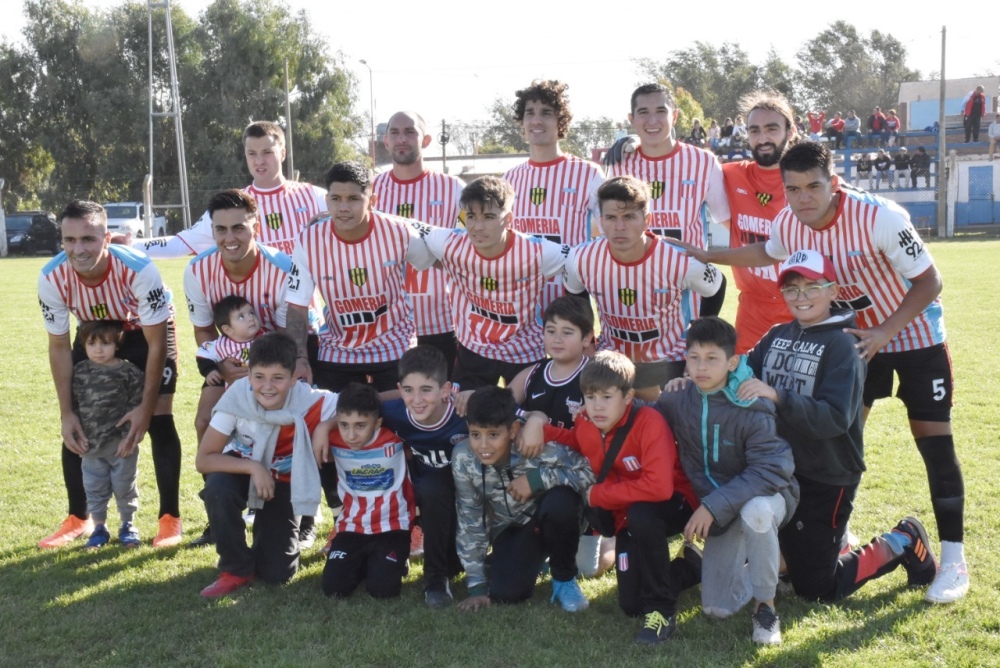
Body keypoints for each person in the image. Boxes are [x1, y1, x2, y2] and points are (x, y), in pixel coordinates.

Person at [682, 141, 970, 604]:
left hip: (913, 335)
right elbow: (767, 253)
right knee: (836, 439)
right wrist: (708, 254)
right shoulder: (787, 220)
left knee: (934, 445)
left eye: (813, 186)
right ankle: (838, 533)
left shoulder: (880, 216)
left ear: (833, 183)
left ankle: (953, 559)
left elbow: (930, 280)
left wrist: (886, 331)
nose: (803, 198)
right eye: (793, 188)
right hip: (854, 342)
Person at [741, 249, 938, 604]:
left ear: (834, 291)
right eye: (792, 289)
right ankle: (824, 547)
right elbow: (742, 373)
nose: (801, 297)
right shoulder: (775, 335)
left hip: (827, 474)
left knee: (816, 589)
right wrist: (701, 376)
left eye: (813, 287)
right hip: (781, 469)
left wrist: (778, 396)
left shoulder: (844, 345)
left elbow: (834, 418)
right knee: (775, 556)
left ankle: (903, 540)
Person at [521, 351, 700, 645]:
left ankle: (662, 612)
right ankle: (692, 567)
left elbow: (660, 488)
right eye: (590, 398)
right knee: (631, 605)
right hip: (626, 513)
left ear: (628, 396)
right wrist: (538, 428)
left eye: (607, 397)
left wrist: (600, 494)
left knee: (644, 515)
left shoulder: (649, 421)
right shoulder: (587, 423)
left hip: (675, 503)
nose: (597, 406)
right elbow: (577, 441)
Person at [38, 200, 184, 549]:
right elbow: (58, 346)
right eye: (69, 240)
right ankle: (79, 517)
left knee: (160, 419)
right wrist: (67, 412)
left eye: (88, 238)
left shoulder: (138, 269)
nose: (78, 249)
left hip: (143, 332)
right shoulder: (51, 276)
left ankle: (169, 518)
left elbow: (155, 343)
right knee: (79, 423)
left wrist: (145, 410)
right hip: (94, 332)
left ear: (107, 238)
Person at [657, 316, 797, 645]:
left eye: (711, 359)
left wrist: (711, 506)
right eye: (694, 358)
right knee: (717, 608)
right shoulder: (678, 398)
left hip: (769, 493)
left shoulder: (750, 401)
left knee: (757, 514)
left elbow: (769, 470)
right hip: (720, 508)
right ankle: (775, 563)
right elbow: (643, 420)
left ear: (732, 361)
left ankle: (766, 607)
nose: (701, 367)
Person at [183, 188, 306, 547]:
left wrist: (258, 371)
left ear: (257, 226)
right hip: (229, 362)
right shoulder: (198, 269)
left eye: (238, 228)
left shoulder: (281, 266)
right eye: (221, 230)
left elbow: (293, 332)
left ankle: (299, 514)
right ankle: (219, 510)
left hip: (278, 362)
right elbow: (204, 329)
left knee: (288, 429)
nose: (229, 238)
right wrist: (223, 364)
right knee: (205, 422)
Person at [196, 332, 335, 598]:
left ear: (294, 378)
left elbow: (361, 404)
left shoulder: (312, 401)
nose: (267, 386)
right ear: (248, 375)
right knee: (218, 487)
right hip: (243, 472)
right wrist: (254, 468)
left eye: (278, 378)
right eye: (259, 377)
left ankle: (266, 541)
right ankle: (235, 568)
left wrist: (325, 426)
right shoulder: (237, 398)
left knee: (277, 574)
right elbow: (204, 459)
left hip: (283, 481)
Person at [563, 176, 724, 401]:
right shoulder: (580, 258)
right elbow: (576, 298)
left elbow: (717, 286)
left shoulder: (678, 259)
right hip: (611, 359)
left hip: (668, 360)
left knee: (667, 429)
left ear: (647, 220)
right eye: (611, 217)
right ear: (600, 220)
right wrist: (588, 342)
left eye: (629, 217)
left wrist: (698, 337)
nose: (619, 227)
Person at [285, 161, 433, 392]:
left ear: (372, 202)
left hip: (394, 345)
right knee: (337, 419)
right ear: (327, 201)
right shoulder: (308, 240)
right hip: (338, 349)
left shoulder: (398, 231)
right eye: (336, 199)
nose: (343, 207)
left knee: (400, 420)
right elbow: (296, 308)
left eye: (354, 199)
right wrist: (300, 358)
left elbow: (432, 262)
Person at [414, 175, 570, 391]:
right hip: (474, 349)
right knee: (463, 415)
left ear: (508, 219)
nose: (478, 227)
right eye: (471, 216)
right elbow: (404, 226)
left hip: (523, 351)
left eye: (488, 217)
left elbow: (581, 260)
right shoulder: (449, 243)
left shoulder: (538, 251)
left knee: (527, 418)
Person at [452, 386, 594, 613]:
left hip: (553, 517)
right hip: (511, 527)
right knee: (506, 593)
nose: (484, 445)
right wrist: (476, 586)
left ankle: (564, 579)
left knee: (561, 502)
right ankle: (528, 561)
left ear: (513, 429)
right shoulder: (463, 457)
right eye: (476, 434)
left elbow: (590, 474)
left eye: (494, 435)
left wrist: (538, 479)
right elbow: (470, 517)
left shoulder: (536, 445)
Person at [603, 82, 729, 319]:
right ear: (631, 119)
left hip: (687, 303)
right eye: (643, 113)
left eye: (661, 111)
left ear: (676, 116)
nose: (652, 121)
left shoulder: (704, 162)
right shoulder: (620, 163)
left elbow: (729, 223)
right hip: (631, 301)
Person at [136, 121, 327, 258]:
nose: (259, 161)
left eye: (267, 152)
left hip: (303, 312)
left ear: (283, 153)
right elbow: (178, 244)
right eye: (252, 154)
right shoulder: (233, 203)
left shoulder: (313, 196)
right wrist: (129, 244)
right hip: (253, 312)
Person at [372, 111, 465, 376]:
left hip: (444, 322)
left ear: (425, 139)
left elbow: (469, 249)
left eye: (410, 132)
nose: (402, 139)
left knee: (445, 402)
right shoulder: (370, 191)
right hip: (388, 327)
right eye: (394, 133)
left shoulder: (454, 189)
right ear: (385, 141)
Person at [376, 346, 469, 607]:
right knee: (431, 486)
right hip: (422, 495)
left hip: (467, 497)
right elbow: (355, 405)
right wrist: (325, 428)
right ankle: (435, 579)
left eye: (426, 390)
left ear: (445, 389)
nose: (416, 399)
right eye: (408, 390)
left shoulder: (464, 411)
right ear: (399, 388)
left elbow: (512, 413)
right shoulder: (394, 412)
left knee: (459, 565)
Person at [503, 80, 604, 310]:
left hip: (571, 299)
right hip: (521, 302)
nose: (536, 120)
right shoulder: (508, 178)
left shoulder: (588, 173)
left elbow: (611, 230)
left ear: (561, 121)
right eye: (530, 113)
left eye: (546, 113)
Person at [313, 383, 415, 599]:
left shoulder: (396, 439)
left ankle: (391, 559)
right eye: (343, 425)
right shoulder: (333, 441)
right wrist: (324, 427)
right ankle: (365, 560)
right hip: (352, 526)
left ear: (377, 423)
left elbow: (406, 391)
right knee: (334, 589)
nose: (351, 434)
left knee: (383, 591)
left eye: (360, 425)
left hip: (392, 525)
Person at [720, 90, 801, 353]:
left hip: (803, 305)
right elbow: (687, 165)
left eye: (771, 129)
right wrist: (633, 142)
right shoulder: (730, 174)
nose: (762, 138)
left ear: (790, 131)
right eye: (754, 130)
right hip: (752, 310)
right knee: (742, 389)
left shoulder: (809, 179)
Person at [73, 320, 145, 549]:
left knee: (125, 487)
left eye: (105, 343)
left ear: (117, 343)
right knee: (95, 489)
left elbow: (138, 406)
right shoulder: (79, 371)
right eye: (91, 343)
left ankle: (127, 525)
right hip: (91, 447)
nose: (98, 349)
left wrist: (128, 438)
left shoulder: (129, 372)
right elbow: (72, 406)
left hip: (122, 446)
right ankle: (99, 528)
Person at [195, 296, 262, 385]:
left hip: (263, 389)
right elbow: (203, 354)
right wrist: (209, 371)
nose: (250, 318)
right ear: (228, 330)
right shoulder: (222, 345)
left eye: (251, 313)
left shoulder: (266, 340)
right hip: (235, 392)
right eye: (241, 317)